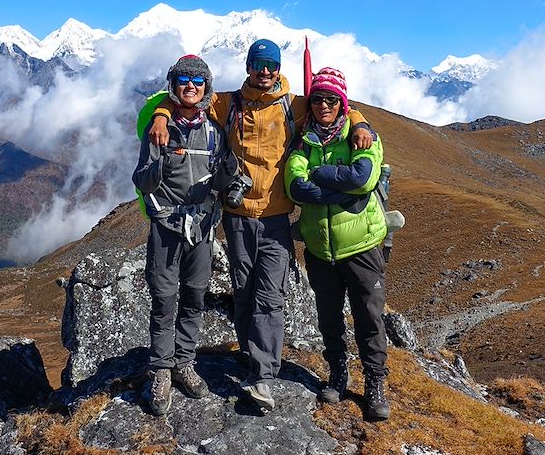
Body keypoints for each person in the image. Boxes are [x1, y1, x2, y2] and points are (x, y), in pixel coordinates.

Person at [148, 40, 373, 410]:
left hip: (275, 218)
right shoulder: (227, 102)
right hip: (237, 218)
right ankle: (253, 356)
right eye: (258, 64)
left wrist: (360, 122)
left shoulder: (294, 104)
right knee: (244, 292)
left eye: (271, 64)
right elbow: (184, 98)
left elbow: (333, 104)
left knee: (270, 296)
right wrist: (160, 114)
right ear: (249, 66)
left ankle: (263, 378)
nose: (265, 71)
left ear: (278, 67)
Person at [284, 67, 390, 420]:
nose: (324, 105)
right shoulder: (303, 141)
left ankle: (375, 383)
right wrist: (337, 191)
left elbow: (363, 178)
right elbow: (295, 187)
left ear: (343, 103)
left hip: (362, 246)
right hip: (319, 249)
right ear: (310, 103)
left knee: (369, 318)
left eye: (332, 99)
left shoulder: (361, 136)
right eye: (318, 99)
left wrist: (319, 175)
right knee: (329, 318)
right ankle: (338, 373)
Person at [133, 54, 236, 415]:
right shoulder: (158, 129)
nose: (190, 86)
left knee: (194, 296)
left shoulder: (214, 132)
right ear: (173, 85)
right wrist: (158, 163)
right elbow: (140, 179)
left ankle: (184, 362)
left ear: (206, 87)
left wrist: (228, 176)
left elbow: (222, 180)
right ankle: (160, 370)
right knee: (163, 299)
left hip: (203, 228)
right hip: (166, 226)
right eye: (183, 80)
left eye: (197, 80)